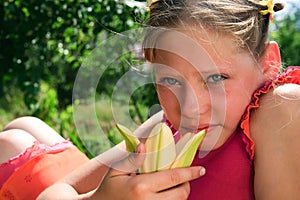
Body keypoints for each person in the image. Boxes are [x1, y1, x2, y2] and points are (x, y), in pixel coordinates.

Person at [4, 0, 300, 199]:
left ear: (268, 64)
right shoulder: (167, 127)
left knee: (14, 139)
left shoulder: (281, 107)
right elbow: (57, 191)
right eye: (170, 80)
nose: (190, 107)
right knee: (22, 130)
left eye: (216, 78)